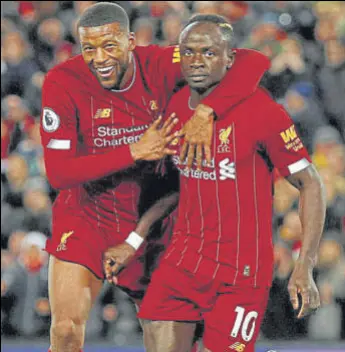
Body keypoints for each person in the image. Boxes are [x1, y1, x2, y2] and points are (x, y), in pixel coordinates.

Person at [40, 3, 263, 352]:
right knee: (66, 330)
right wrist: (134, 150)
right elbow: (59, 173)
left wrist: (206, 111)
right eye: (89, 48)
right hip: (87, 217)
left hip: (156, 224)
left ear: (130, 41)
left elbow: (250, 60)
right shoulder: (63, 82)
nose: (99, 58)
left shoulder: (160, 64)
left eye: (110, 45)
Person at [106, 14, 326, 352]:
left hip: (241, 274)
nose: (197, 61)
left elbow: (311, 184)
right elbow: (176, 190)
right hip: (182, 264)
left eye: (209, 53)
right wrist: (134, 240)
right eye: (189, 52)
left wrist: (305, 265)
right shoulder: (176, 107)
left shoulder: (261, 112)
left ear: (229, 58)